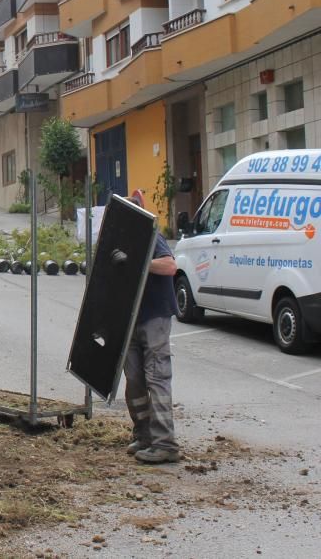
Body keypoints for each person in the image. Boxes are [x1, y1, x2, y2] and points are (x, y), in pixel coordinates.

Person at [125, 192, 180, 464]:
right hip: (131, 320)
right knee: (134, 380)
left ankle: (165, 444)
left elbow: (170, 266)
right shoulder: (122, 240)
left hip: (154, 317)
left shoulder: (152, 236)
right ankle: (144, 434)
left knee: (157, 378)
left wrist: (139, 265)